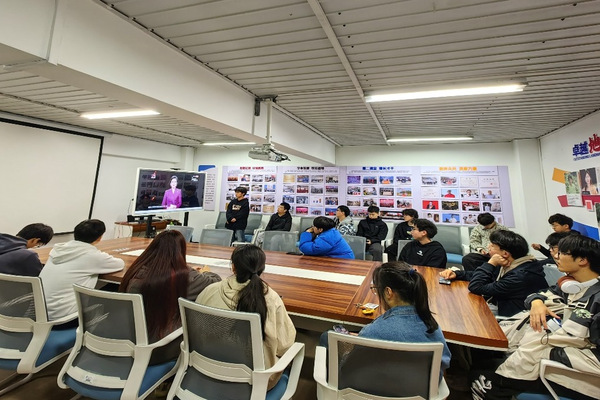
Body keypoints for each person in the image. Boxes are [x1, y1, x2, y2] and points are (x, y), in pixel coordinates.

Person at [472, 235, 600, 400]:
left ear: (582, 260)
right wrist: (537, 302)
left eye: (562, 253)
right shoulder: (569, 285)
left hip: (579, 371)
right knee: (481, 364)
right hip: (552, 352)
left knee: (485, 378)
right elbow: (538, 295)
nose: (555, 256)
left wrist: (546, 350)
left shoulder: (595, 298)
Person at [196, 245, 296, 390]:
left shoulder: (210, 290)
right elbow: (285, 346)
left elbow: (198, 328)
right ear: (262, 269)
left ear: (233, 267)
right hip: (255, 381)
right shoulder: (271, 299)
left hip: (207, 368)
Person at [119, 230, 221, 362]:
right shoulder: (184, 277)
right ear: (180, 251)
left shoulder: (136, 270)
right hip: (161, 348)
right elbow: (214, 281)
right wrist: (203, 272)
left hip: (129, 342)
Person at [352, 262, 451, 382]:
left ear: (388, 292)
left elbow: (351, 367)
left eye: (376, 289)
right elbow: (444, 361)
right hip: (423, 389)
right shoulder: (432, 326)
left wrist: (359, 338)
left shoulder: (373, 331)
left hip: (380, 388)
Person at [439, 230, 548, 317]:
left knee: (456, 313)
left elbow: (476, 286)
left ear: (505, 253)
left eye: (492, 246)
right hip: (500, 306)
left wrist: (491, 263)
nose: (488, 248)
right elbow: (484, 277)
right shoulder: (512, 263)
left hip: (511, 318)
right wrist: (457, 274)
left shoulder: (520, 276)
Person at [39, 220, 124, 320]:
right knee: (115, 287)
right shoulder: (92, 256)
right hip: (64, 318)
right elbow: (120, 264)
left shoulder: (58, 250)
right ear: (100, 237)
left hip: (40, 312)